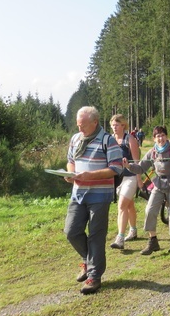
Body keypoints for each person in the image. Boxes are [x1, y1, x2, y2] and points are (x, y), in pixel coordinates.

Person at [63, 106, 123, 294]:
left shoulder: (108, 141)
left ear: (95, 122)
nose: (79, 128)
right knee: (71, 231)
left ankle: (94, 277)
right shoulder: (75, 139)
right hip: (78, 193)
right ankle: (89, 261)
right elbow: (70, 160)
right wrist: (70, 173)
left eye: (83, 125)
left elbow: (116, 169)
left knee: (96, 235)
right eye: (78, 124)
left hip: (100, 195)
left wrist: (91, 175)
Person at [123, 126, 170, 255]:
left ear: (166, 136)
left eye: (162, 135)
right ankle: (153, 240)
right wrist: (128, 166)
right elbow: (140, 168)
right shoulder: (152, 152)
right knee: (149, 210)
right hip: (159, 184)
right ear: (154, 138)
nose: (160, 138)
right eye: (157, 136)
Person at [109, 115, 142, 250]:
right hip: (117, 179)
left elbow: (136, 162)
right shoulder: (110, 140)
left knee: (122, 205)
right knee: (129, 206)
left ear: (123, 125)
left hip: (131, 176)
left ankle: (120, 238)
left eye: (117, 125)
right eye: (113, 125)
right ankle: (133, 230)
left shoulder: (130, 139)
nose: (114, 127)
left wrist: (139, 180)